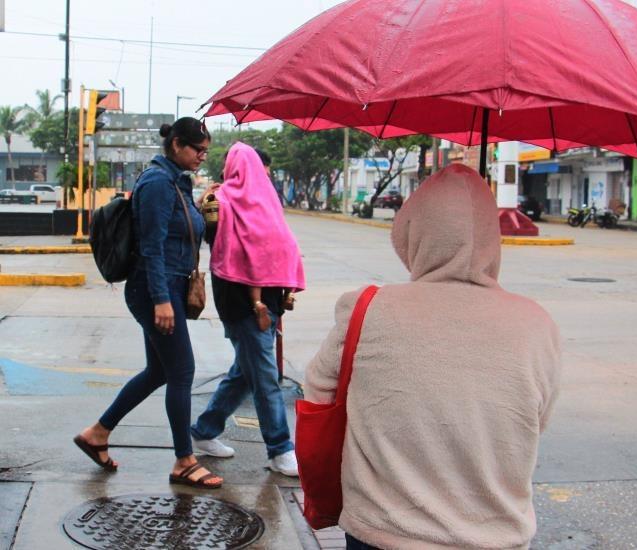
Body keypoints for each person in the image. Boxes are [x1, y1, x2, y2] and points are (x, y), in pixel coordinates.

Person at [305, 164, 562, 549]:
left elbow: (318, 395)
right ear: (492, 240)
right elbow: (535, 421)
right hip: (495, 537)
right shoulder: (537, 323)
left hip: (382, 531)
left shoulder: (368, 308)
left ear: (412, 233)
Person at [74, 117, 223, 488]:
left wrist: (204, 210)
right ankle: (184, 460)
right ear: (176, 145)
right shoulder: (158, 182)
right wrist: (161, 300)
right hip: (155, 288)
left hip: (167, 285)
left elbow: (183, 234)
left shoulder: (177, 181)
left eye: (206, 151)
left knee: (159, 372)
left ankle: (97, 432)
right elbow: (152, 246)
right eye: (198, 149)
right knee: (182, 371)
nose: (203, 157)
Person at [191, 142, 305, 477]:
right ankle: (280, 448)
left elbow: (279, 243)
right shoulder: (220, 201)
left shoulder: (265, 199)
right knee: (265, 376)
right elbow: (210, 239)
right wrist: (203, 207)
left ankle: (204, 430)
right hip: (240, 300)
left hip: (268, 298)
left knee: (245, 372)